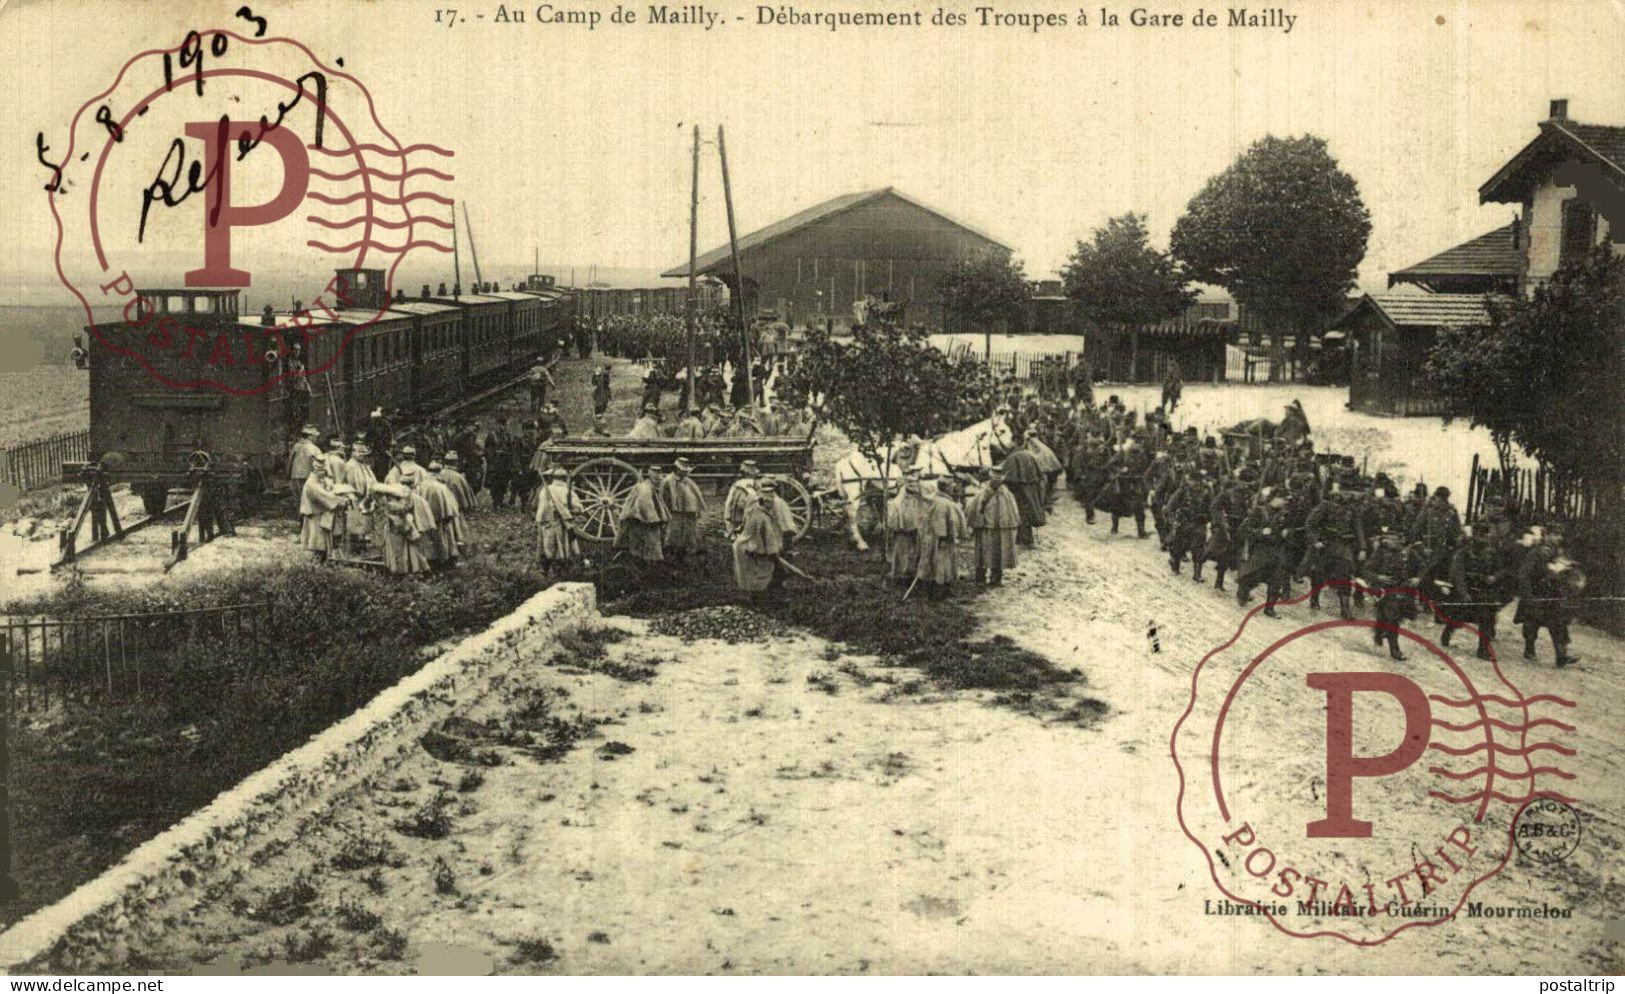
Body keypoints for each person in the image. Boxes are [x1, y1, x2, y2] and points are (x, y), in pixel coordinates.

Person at [1515, 525, 1583, 667]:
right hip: (1536, 593)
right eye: (1554, 534)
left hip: (1553, 594)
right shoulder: (1536, 553)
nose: (1558, 538)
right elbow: (1524, 575)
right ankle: (1529, 649)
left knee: (1558, 623)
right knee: (1531, 622)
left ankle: (1561, 655)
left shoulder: (1558, 554)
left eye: (1559, 535)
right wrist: (1528, 594)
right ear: (1546, 536)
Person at [1445, 519, 1509, 660]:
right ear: (1473, 534)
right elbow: (1457, 574)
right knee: (1457, 617)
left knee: (1486, 618)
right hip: (1465, 590)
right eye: (1479, 534)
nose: (1482, 537)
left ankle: (1483, 650)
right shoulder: (1463, 552)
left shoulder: (1491, 553)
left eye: (1485, 534)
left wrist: (1494, 577)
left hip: (1483, 590)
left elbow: (1502, 569)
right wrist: (1464, 593)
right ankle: (1448, 631)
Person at [732, 478, 788, 597]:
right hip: (748, 548)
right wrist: (777, 560)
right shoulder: (763, 518)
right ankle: (760, 598)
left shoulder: (753, 510)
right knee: (766, 571)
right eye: (770, 501)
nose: (772, 503)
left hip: (745, 546)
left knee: (753, 574)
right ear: (764, 502)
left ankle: (754, 595)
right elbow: (771, 547)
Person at [914, 474, 968, 597]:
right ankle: (938, 590)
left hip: (932, 537)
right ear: (946, 488)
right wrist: (946, 536)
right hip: (941, 539)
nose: (953, 489)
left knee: (935, 562)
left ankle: (941, 587)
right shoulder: (944, 504)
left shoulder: (936, 499)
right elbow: (947, 522)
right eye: (951, 486)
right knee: (940, 564)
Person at [967, 466, 1020, 587]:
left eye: (999, 480)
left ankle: (996, 578)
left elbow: (1013, 512)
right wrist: (977, 523)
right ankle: (980, 577)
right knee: (983, 553)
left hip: (1001, 528)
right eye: (994, 479)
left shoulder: (1006, 494)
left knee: (998, 553)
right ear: (990, 478)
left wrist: (1010, 525)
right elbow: (973, 509)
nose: (996, 482)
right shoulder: (982, 493)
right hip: (986, 527)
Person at [377, 480, 435, 575]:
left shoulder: (393, 505)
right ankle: (417, 569)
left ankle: (403, 570)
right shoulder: (411, 498)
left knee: (400, 551)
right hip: (406, 527)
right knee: (411, 549)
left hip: (400, 528)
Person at [616, 465, 670, 565]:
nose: (659, 482)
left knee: (641, 547)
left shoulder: (649, 487)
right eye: (658, 480)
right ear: (652, 478)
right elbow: (645, 508)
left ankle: (643, 563)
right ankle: (647, 566)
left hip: (640, 521)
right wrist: (655, 519)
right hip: (641, 523)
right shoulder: (645, 489)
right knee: (649, 546)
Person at [884, 468, 930, 584]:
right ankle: (900, 574)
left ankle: (912, 573)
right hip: (903, 529)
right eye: (910, 482)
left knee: (914, 550)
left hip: (914, 528)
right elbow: (898, 514)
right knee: (901, 550)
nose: (913, 485)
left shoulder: (917, 495)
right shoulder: (900, 498)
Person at [1001, 434, 1047, 546]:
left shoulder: (1013, 457)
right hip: (1031, 488)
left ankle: (1024, 539)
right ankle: (1027, 538)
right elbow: (1040, 474)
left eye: (1011, 442)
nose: (1009, 444)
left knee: (1019, 512)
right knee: (1028, 513)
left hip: (1018, 490)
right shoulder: (1031, 455)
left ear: (1015, 442)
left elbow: (1006, 476)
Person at [299, 461, 348, 563]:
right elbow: (324, 496)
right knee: (318, 542)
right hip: (315, 515)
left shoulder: (321, 480)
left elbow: (330, 487)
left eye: (323, 469)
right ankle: (316, 564)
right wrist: (340, 500)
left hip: (322, 514)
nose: (322, 472)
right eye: (319, 470)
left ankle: (323, 562)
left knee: (324, 541)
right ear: (314, 469)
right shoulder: (311, 484)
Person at [659, 457, 706, 562]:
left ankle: (683, 557)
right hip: (673, 513)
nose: (684, 473)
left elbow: (695, 497)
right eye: (682, 470)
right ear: (677, 469)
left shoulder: (688, 482)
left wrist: (696, 510)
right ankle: (669, 559)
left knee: (687, 536)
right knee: (672, 536)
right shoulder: (667, 481)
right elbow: (662, 498)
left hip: (687, 514)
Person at [420, 460, 465, 569]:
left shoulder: (420, 485)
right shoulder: (441, 487)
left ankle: (428, 560)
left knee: (426, 540)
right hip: (440, 518)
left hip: (424, 519)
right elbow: (451, 507)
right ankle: (443, 561)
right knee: (442, 539)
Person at [534, 466, 578, 574]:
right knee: (561, 546)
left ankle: (545, 570)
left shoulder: (544, 490)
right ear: (564, 479)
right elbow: (578, 508)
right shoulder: (567, 491)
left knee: (546, 546)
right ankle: (560, 570)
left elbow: (536, 505)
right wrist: (568, 512)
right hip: (560, 522)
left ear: (552, 478)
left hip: (544, 521)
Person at [342, 441, 380, 546]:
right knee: (356, 522)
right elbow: (347, 483)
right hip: (355, 498)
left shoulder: (364, 465)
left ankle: (363, 543)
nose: (362, 454)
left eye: (363, 452)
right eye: (359, 452)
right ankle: (355, 545)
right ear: (352, 452)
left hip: (366, 498)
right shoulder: (349, 465)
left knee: (365, 522)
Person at [723, 460, 761, 537]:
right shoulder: (755, 484)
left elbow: (728, 503)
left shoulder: (737, 485)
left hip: (738, 506)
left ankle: (733, 531)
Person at [288, 425, 322, 509]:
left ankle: (300, 517)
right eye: (315, 436)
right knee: (309, 501)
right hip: (308, 477)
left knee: (299, 500)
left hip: (295, 476)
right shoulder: (315, 449)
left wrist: (288, 474)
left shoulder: (296, 446)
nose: (316, 438)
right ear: (310, 437)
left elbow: (289, 461)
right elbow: (320, 465)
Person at [485, 419, 515, 508]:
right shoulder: (492, 435)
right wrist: (492, 460)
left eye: (505, 425)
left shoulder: (507, 435)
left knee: (504, 481)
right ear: (497, 425)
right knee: (495, 482)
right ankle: (496, 501)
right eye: (502, 425)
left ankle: (501, 500)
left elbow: (511, 448)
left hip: (505, 462)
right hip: (496, 463)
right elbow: (488, 449)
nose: (504, 427)